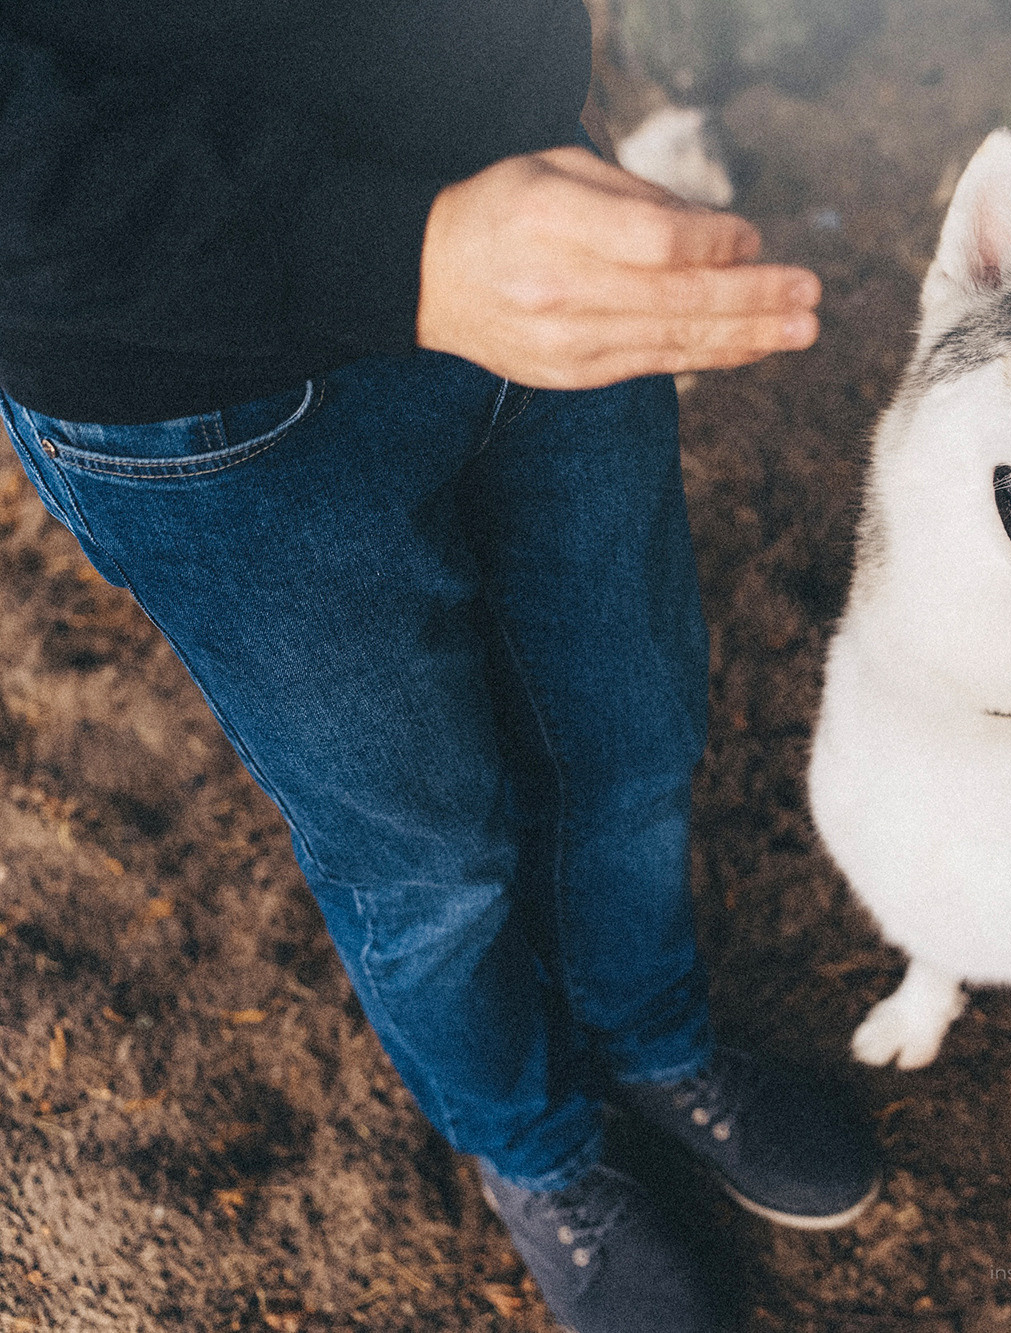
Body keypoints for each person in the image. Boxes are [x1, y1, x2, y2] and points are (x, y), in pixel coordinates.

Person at [0, 5, 879, 1329]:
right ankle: (540, 1152)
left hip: (542, 200)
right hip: (187, 374)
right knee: (426, 858)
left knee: (634, 729)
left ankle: (653, 1037)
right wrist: (390, 250)